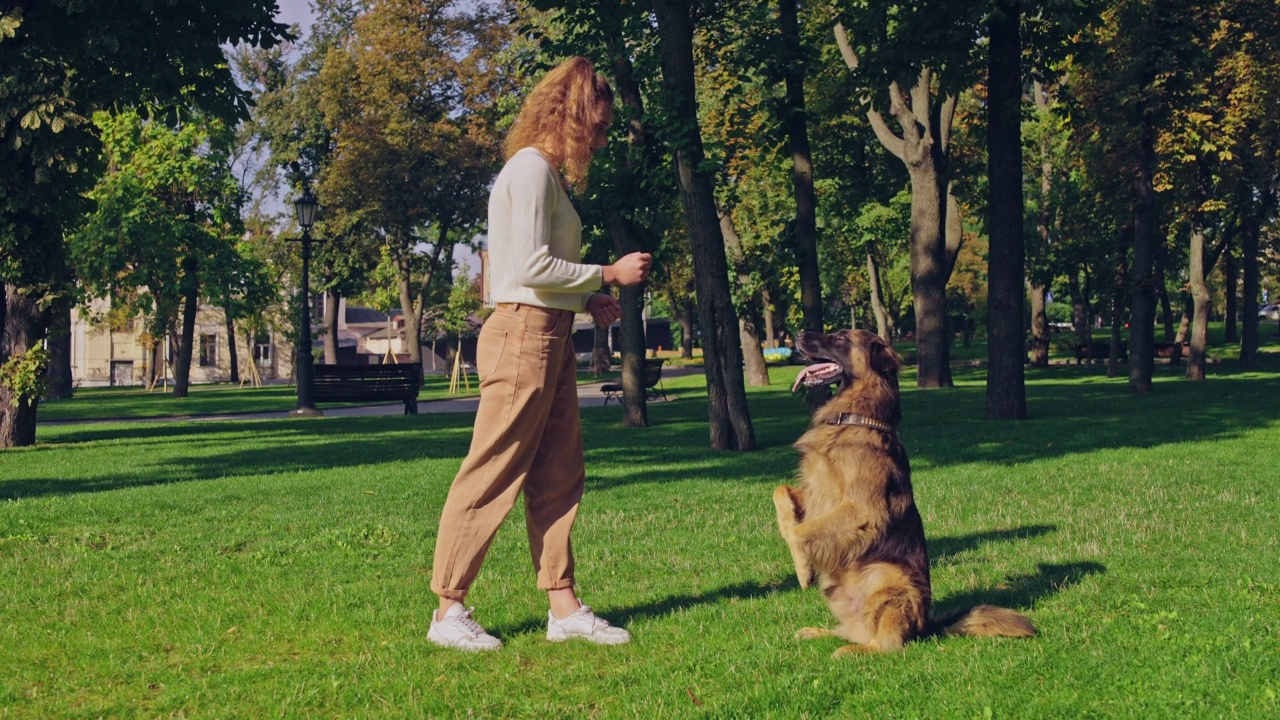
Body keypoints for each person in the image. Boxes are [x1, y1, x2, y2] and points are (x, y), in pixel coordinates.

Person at [427, 57, 652, 652]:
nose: (600, 141)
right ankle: (448, 610)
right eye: (598, 128)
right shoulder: (527, 171)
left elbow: (539, 274)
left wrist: (586, 298)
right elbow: (521, 269)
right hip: (522, 338)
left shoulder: (546, 176)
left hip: (548, 335)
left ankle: (563, 607)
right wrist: (607, 271)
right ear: (574, 117)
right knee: (493, 468)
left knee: (559, 473)